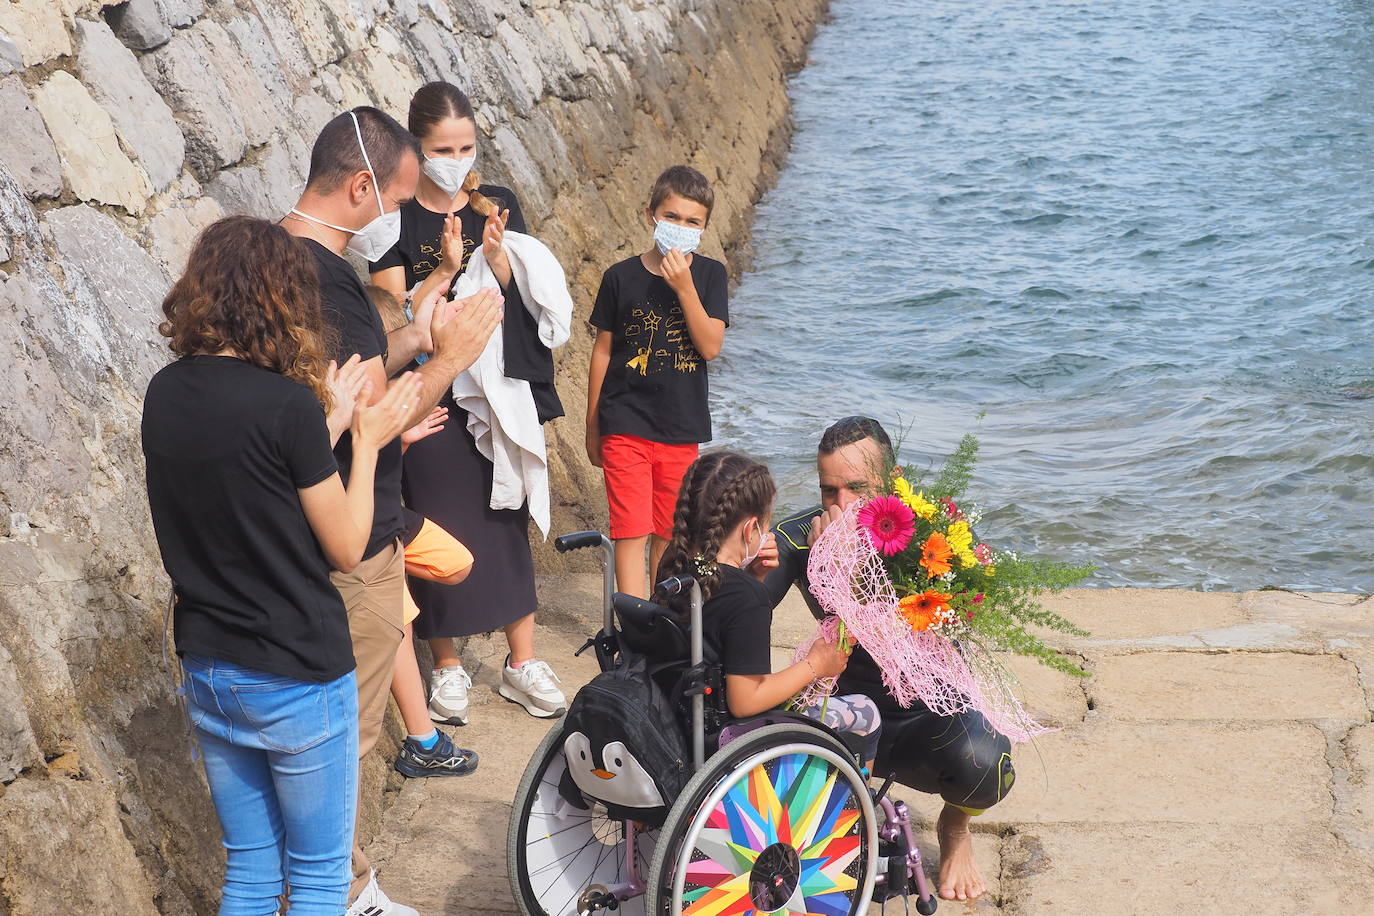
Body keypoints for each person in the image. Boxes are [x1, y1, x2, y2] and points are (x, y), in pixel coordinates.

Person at [141, 216, 421, 915]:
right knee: (322, 876)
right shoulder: (288, 405)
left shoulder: (166, 393)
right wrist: (368, 438)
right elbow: (348, 545)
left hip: (211, 665)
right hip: (297, 671)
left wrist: (326, 423)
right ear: (281, 299)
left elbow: (257, 473)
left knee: (253, 873)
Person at [282, 105, 502, 916]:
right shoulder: (330, 274)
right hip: (355, 537)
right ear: (357, 185)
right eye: (389, 201)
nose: (391, 220)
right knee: (345, 740)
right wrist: (451, 357)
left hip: (292, 533)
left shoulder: (267, 255)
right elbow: (376, 417)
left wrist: (409, 339)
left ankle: (348, 881)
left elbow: (346, 379)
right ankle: (337, 893)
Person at [369, 81, 567, 726]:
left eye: (465, 146)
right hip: (429, 392)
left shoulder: (496, 205)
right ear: (416, 149)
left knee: (503, 515)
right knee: (435, 520)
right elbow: (388, 319)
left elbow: (527, 297)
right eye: (441, 148)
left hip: (496, 392)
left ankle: (521, 660)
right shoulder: (393, 220)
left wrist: (497, 260)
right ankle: (448, 665)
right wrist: (448, 270)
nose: (454, 158)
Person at [761, 416, 1016, 903]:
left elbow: (937, 637)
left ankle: (956, 827)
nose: (842, 505)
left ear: (892, 483)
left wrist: (850, 584)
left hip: (926, 716)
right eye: (829, 490)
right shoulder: (804, 535)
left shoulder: (931, 537)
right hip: (845, 711)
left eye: (857, 489)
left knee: (987, 767)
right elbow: (743, 608)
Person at [655, 451, 881, 766]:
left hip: (672, 720)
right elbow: (746, 701)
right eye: (765, 525)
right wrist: (815, 665)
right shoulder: (747, 597)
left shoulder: (673, 565)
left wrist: (754, 576)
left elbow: (713, 622)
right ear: (750, 530)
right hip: (723, 740)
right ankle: (854, 808)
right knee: (865, 713)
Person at [587, 165, 730, 599]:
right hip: (624, 423)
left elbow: (710, 347)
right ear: (650, 214)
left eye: (692, 222)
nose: (681, 228)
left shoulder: (709, 276)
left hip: (680, 427)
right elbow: (603, 351)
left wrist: (685, 288)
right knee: (630, 531)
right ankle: (633, 626)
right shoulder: (619, 277)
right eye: (672, 217)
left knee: (669, 535)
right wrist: (593, 426)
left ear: (704, 227)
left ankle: (660, 618)